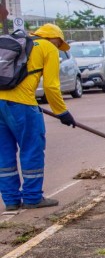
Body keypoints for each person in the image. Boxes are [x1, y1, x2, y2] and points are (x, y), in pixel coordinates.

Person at [0, 23, 77, 211]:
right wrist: (62, 113)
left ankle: (10, 200)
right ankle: (33, 197)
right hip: (22, 104)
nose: (59, 48)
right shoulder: (48, 47)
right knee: (31, 148)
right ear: (56, 39)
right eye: (60, 44)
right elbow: (51, 86)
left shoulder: (17, 43)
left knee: (4, 153)